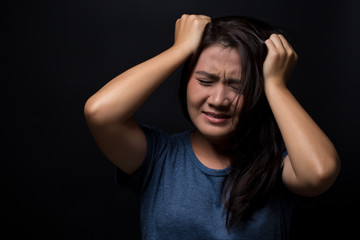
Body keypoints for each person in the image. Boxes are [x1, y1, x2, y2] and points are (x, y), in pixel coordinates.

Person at [84, 14, 340, 240]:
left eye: (238, 86)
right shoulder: (158, 157)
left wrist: (275, 84)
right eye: (205, 81)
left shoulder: (277, 163)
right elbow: (100, 113)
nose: (218, 100)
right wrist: (180, 50)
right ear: (186, 81)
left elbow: (319, 172)